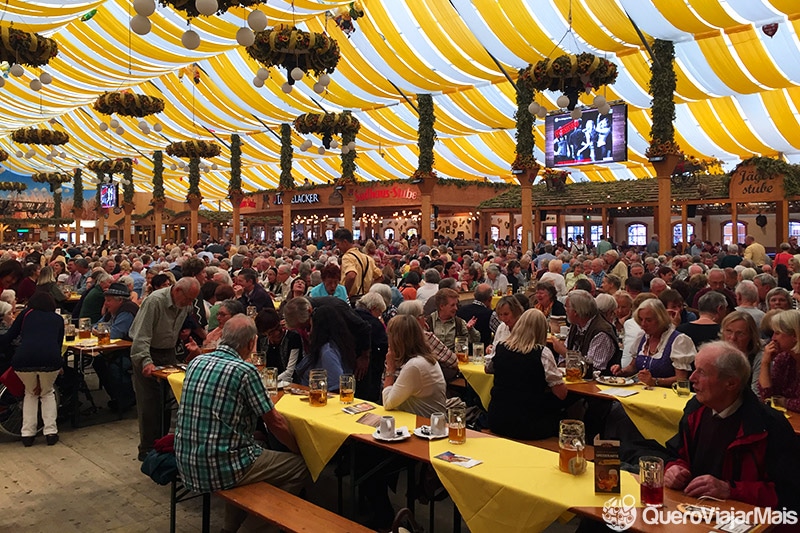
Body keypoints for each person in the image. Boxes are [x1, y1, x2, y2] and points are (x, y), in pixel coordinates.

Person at [175, 315, 309, 533]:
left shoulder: (197, 361)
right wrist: (299, 451)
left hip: (186, 460)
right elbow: (275, 422)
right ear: (251, 343)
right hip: (220, 467)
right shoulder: (244, 371)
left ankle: (230, 528)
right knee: (298, 467)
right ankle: (251, 529)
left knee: (253, 455)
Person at [664, 341, 800, 510]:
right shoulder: (696, 408)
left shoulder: (769, 426)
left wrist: (729, 489)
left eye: (702, 372)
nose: (692, 378)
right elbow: (676, 453)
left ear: (731, 384)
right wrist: (675, 469)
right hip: (694, 510)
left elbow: (789, 494)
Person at [129, 277, 201, 461]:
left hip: (168, 351)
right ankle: (146, 449)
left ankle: (162, 445)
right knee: (150, 403)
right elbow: (141, 336)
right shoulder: (155, 301)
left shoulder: (185, 304)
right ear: (177, 291)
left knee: (169, 401)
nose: (189, 304)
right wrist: (145, 361)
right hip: (148, 351)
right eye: (188, 299)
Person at [486, 309, 567, 440]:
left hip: (497, 419)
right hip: (530, 425)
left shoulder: (500, 346)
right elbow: (561, 394)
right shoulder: (542, 353)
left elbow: (488, 369)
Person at [0, 292, 64, 446]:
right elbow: (58, 343)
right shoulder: (58, 319)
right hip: (50, 359)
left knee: (30, 393)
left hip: (24, 360)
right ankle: (50, 432)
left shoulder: (25, 315)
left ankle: (27, 434)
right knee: (47, 393)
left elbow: (9, 337)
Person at [611, 298, 696, 388]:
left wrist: (655, 381)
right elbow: (633, 367)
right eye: (641, 319)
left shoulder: (679, 340)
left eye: (648, 320)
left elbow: (681, 379)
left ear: (661, 319)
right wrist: (621, 372)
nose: (643, 324)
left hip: (666, 397)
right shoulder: (642, 337)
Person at [382, 314, 446, 416]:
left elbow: (388, 403)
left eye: (389, 336)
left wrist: (390, 369)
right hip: (432, 422)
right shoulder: (425, 359)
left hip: (424, 426)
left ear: (397, 340)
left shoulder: (415, 366)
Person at [92, 282, 139, 413]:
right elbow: (95, 326)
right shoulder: (112, 312)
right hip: (116, 350)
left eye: (109, 301)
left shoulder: (127, 311)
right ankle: (117, 397)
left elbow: (115, 333)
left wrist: (100, 331)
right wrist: (99, 330)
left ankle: (127, 399)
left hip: (132, 351)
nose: (106, 304)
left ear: (120, 301)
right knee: (98, 361)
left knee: (116, 367)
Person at [552, 290, 620, 374]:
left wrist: (564, 352)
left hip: (596, 384)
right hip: (574, 378)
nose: (565, 309)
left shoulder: (601, 332)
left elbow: (593, 368)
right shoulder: (576, 325)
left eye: (566, 307)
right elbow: (563, 358)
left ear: (576, 312)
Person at [294, 305, 355, 390]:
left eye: (310, 328)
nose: (308, 333)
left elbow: (337, 386)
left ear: (319, 329)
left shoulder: (327, 352)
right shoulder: (337, 344)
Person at [757, 310, 800, 412]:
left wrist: (785, 402)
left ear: (794, 335)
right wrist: (765, 363)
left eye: (777, 333)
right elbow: (767, 396)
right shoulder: (784, 358)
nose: (773, 338)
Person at [354, 292, 388, 402]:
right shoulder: (375, 324)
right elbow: (384, 347)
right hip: (370, 372)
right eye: (379, 313)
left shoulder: (351, 315)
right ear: (373, 308)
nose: (379, 316)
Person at [334, 228, 382, 304]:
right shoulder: (367, 258)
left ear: (345, 242)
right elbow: (380, 277)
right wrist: (369, 288)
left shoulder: (347, 257)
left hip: (352, 299)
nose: (337, 247)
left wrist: (345, 294)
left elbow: (351, 275)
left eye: (337, 244)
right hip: (366, 299)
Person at [719, 311, 762, 395]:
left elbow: (757, 395)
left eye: (740, 333)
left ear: (751, 335)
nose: (733, 338)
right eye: (728, 331)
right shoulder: (714, 354)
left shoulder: (758, 358)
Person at [254, 308, 303, 382]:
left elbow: (290, 372)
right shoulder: (261, 341)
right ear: (264, 333)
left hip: (289, 383)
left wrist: (270, 381)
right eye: (271, 332)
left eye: (278, 327)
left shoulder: (293, 338)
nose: (277, 333)